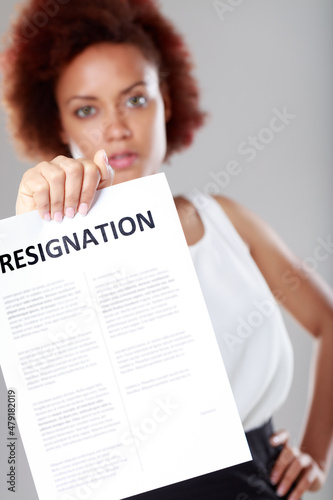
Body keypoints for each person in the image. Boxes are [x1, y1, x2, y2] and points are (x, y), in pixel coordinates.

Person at [1, 0, 332, 499]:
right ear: (59, 127)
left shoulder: (224, 220)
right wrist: (36, 227)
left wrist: (314, 453)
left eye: (135, 99)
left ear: (168, 103)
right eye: (86, 109)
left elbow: (329, 321)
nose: (115, 127)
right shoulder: (51, 243)